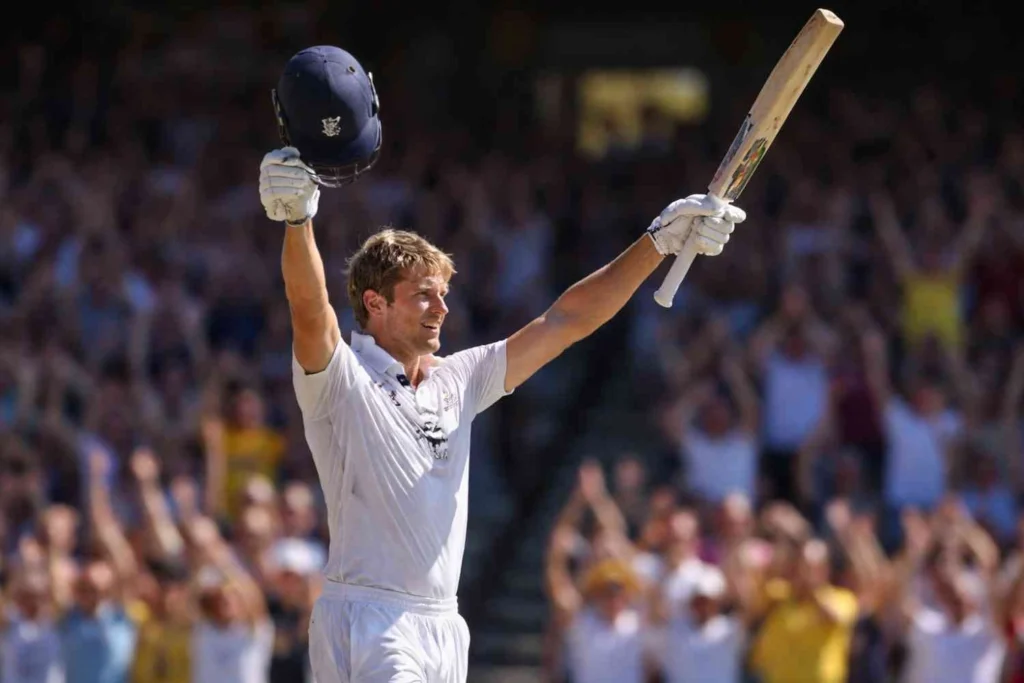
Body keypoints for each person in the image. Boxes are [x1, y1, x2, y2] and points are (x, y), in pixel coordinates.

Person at [258, 45, 747, 683]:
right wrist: (298, 221)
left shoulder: (459, 380)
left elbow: (566, 321)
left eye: (444, 293)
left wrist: (659, 241)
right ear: (374, 304)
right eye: (422, 296)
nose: (441, 309)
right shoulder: (341, 381)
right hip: (370, 618)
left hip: (443, 624)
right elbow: (309, 306)